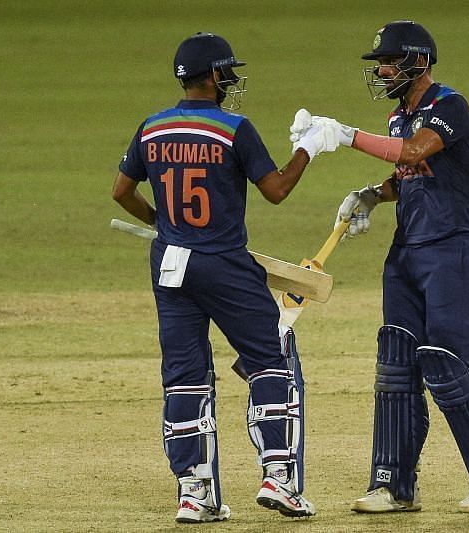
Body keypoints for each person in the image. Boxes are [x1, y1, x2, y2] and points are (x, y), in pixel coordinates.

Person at [290, 20, 469, 513]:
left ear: (419, 61)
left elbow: (419, 151)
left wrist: (348, 135)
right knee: (396, 362)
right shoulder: (400, 119)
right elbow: (409, 169)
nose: (381, 70)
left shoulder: (449, 106)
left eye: (389, 61)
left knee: (445, 361)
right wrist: (372, 196)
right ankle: (394, 485)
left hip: (450, 249)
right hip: (406, 252)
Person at [112, 32, 338, 524]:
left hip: (171, 264)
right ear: (213, 76)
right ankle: (278, 477)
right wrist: (308, 149)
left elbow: (120, 191)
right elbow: (275, 190)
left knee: (185, 376)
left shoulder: (152, 128)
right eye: (227, 72)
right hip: (225, 264)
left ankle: (194, 492)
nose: (230, 80)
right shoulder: (234, 128)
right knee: (269, 361)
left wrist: (162, 222)